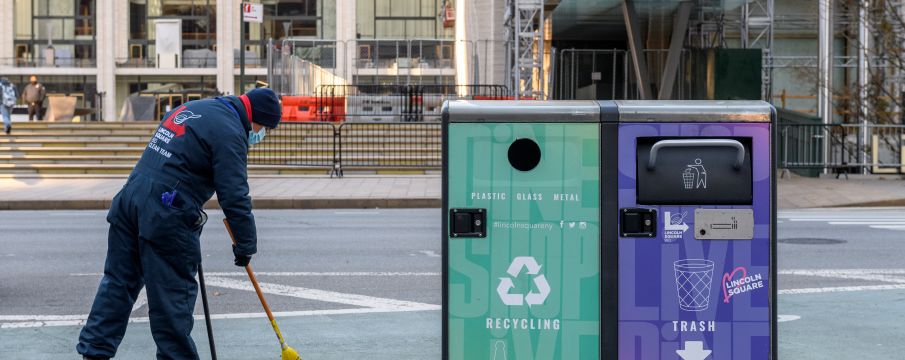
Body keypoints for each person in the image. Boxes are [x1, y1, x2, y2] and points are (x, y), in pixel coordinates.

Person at [76, 88, 282, 360]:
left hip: (130, 200)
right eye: (263, 128)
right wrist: (246, 244)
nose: (259, 135)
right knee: (172, 302)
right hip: (166, 213)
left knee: (118, 284)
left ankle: (94, 354)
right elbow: (234, 194)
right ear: (256, 119)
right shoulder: (231, 131)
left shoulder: (198, 108)